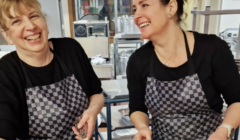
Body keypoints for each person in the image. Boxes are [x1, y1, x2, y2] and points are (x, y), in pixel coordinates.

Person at [127, 0, 240, 140]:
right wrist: (143, 128)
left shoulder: (212, 49)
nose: (137, 15)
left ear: (171, 7)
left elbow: (237, 101)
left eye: (144, 5)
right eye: (134, 9)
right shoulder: (138, 60)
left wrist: (224, 131)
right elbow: (137, 109)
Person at [0, 0, 104, 139]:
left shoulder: (70, 49)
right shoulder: (6, 71)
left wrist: (91, 112)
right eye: (16, 21)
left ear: (45, 23)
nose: (30, 26)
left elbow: (96, 93)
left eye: (33, 16)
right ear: (7, 36)